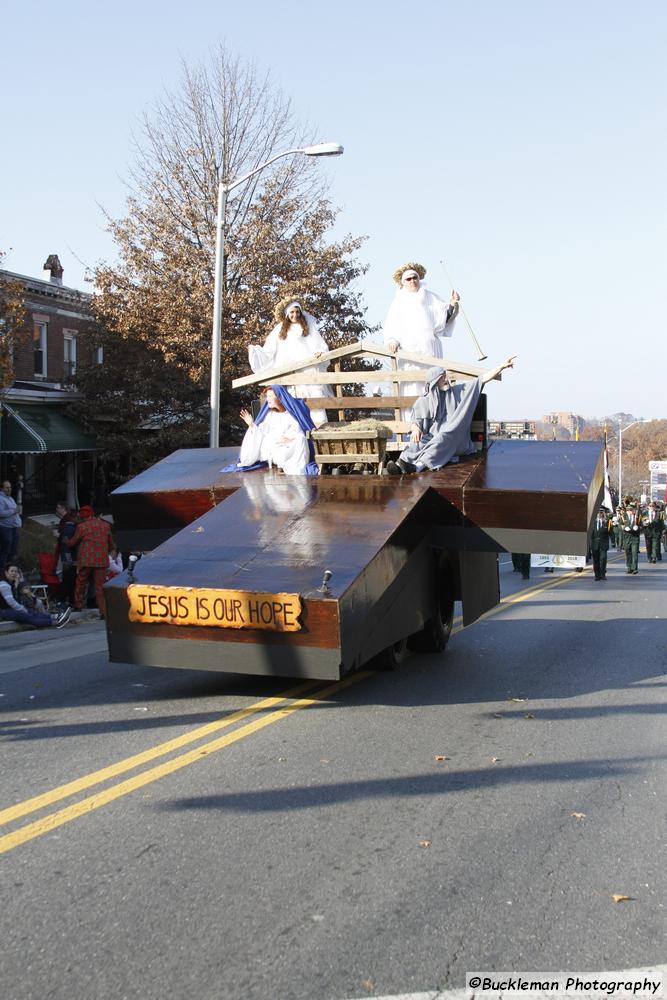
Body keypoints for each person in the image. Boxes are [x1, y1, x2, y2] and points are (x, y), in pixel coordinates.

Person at [386, 357, 516, 475]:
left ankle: (418, 467)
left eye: (445, 376)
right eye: (443, 377)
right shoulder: (425, 400)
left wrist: (501, 366)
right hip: (432, 436)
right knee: (419, 442)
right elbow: (416, 419)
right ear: (435, 381)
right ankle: (400, 465)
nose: (446, 380)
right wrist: (415, 428)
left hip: (454, 437)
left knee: (443, 437)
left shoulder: (458, 392)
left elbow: (482, 379)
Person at [383, 263, 460, 417]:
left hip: (429, 350)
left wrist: (452, 304)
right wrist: (392, 340)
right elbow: (391, 326)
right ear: (402, 282)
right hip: (409, 354)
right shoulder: (398, 302)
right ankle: (412, 425)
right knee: (412, 388)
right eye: (408, 279)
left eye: (415, 278)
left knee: (432, 386)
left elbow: (444, 317)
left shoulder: (430, 297)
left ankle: (435, 422)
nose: (412, 281)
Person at [247, 299, 334, 426]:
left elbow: (319, 345)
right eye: (292, 312)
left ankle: (317, 428)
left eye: (297, 312)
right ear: (287, 313)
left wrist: (319, 352)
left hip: (307, 371)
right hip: (288, 373)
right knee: (291, 402)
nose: (295, 315)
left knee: (312, 401)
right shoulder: (280, 329)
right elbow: (269, 351)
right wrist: (255, 351)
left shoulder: (307, 327)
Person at [233, 386, 317, 476]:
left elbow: (298, 432)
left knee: (301, 440)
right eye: (267, 396)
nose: (267, 399)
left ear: (280, 398)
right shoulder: (270, 415)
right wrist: (251, 425)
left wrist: (291, 439)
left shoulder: (290, 415)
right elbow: (261, 433)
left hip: (288, 444)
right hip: (273, 446)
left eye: (270, 396)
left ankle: (298, 472)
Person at [63, 505, 115, 617]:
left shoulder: (82, 526)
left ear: (82, 516)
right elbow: (111, 544)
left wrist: (66, 541)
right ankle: (103, 612)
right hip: (101, 560)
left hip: (86, 560)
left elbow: (73, 542)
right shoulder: (105, 526)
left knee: (81, 583)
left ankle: (78, 605)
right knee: (100, 587)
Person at [0, 562, 70, 629]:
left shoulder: (11, 583)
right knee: (30, 617)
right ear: (6, 572)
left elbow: (16, 600)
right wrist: (22, 609)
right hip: (5, 611)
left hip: (11, 609)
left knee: (34, 613)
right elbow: (11, 602)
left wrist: (16, 585)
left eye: (16, 571)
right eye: (12, 571)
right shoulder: (4, 584)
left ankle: (58, 616)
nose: (14, 573)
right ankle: (57, 622)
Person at [54, 501, 79, 605]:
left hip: (68, 554)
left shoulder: (67, 522)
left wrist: (58, 536)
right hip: (69, 553)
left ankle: (66, 599)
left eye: (58, 507)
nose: (56, 509)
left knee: (68, 576)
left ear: (64, 508)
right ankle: (69, 599)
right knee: (69, 576)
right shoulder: (67, 521)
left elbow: (66, 540)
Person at [0, 480, 21, 569]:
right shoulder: (1, 498)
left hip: (14, 528)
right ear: (1, 488)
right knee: (6, 551)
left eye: (10, 487)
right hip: (6, 529)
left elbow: (15, 511)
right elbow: (1, 513)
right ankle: (1, 572)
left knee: (13, 551)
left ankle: (9, 570)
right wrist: (14, 511)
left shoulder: (10, 498)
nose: (9, 489)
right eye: (7, 487)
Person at [591, 506, 613, 580]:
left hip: (603, 543)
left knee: (603, 559)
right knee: (596, 560)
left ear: (603, 513)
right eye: (598, 512)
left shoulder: (607, 522)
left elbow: (611, 533)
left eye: (601, 512)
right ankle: (597, 575)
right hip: (595, 543)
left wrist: (613, 542)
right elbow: (590, 534)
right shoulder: (592, 522)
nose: (600, 514)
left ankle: (603, 574)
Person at [620, 502, 641, 574]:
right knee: (628, 553)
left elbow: (642, 526)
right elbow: (620, 525)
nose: (630, 511)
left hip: (635, 537)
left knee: (634, 553)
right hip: (627, 537)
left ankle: (634, 568)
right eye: (628, 510)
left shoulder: (637, 517)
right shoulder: (623, 516)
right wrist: (625, 528)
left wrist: (638, 528)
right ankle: (629, 567)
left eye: (631, 510)